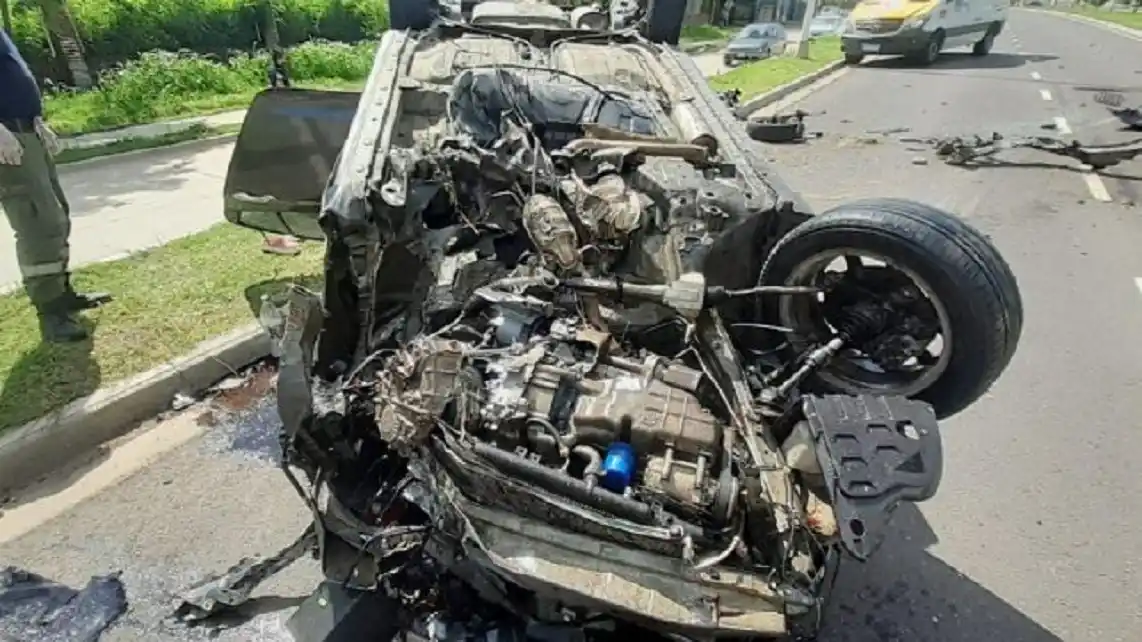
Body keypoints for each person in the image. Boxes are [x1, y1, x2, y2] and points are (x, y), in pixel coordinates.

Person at [1, 29, 111, 343]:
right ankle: (50, 312)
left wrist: (35, 119)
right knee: (38, 223)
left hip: (24, 132)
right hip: (7, 140)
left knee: (57, 215)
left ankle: (62, 294)